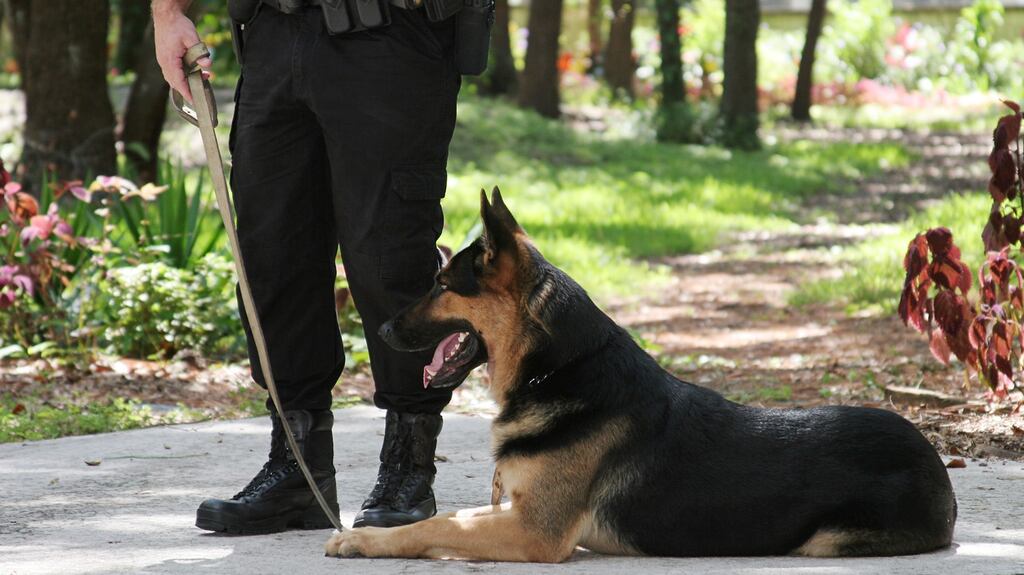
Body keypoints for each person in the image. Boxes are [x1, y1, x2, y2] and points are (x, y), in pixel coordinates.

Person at [152, 0, 461, 534]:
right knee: (273, 253)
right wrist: (169, 14)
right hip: (274, 32)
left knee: (389, 255)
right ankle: (296, 470)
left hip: (391, 32)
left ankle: (409, 469)